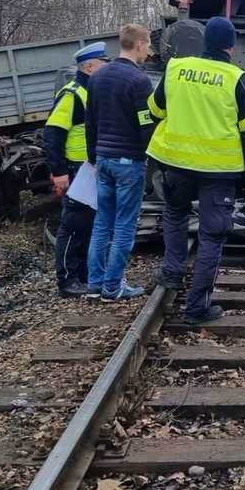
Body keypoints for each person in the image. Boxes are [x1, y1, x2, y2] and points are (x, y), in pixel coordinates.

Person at [148, 16, 245, 324]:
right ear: (231, 46)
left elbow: (155, 110)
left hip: (176, 163)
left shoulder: (175, 69)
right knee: (212, 236)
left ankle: (172, 273)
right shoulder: (239, 79)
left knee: (175, 215)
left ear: (204, 41)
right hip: (219, 171)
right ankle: (197, 308)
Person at [85, 24, 155, 301]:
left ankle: (95, 282)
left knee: (102, 221)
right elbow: (145, 125)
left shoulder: (98, 77)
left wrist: (94, 157)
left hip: (103, 158)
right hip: (129, 161)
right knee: (125, 224)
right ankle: (113, 287)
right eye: (148, 46)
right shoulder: (139, 81)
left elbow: (90, 122)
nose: (149, 52)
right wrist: (151, 154)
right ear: (138, 44)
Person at [44, 42, 108, 296]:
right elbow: (53, 133)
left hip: (89, 169)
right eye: (103, 63)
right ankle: (68, 281)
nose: (107, 67)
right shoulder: (73, 94)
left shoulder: (91, 91)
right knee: (73, 226)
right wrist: (59, 172)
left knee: (87, 225)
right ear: (90, 67)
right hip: (75, 170)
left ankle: (81, 275)